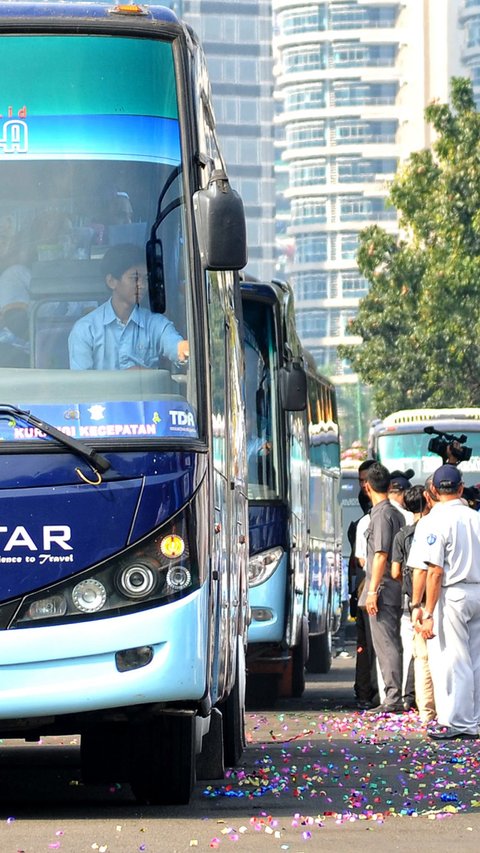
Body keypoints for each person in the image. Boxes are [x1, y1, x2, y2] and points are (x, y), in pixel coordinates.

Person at [412, 464, 480, 739]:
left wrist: (426, 610)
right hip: (477, 589)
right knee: (475, 659)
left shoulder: (433, 520)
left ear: (433, 491)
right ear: (461, 488)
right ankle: (473, 719)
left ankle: (459, 722)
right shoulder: (475, 517)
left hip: (453, 594)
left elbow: (434, 570)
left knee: (454, 660)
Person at [68, 243, 189, 370]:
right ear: (111, 281)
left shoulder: (156, 324)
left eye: (146, 279)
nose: (142, 285)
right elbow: (81, 386)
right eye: (134, 278)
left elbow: (177, 347)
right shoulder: (85, 330)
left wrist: (185, 350)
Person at [359, 462, 405, 714]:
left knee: (386, 644)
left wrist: (372, 591)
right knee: (390, 643)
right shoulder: (395, 513)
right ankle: (392, 694)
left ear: (367, 486)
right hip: (390, 587)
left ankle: (393, 697)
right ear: (388, 486)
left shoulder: (381, 515)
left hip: (384, 589)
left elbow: (380, 555)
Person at [391, 484, 429, 712]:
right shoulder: (434, 529)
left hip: (409, 602)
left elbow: (395, 571)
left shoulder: (401, 535)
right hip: (433, 598)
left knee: (413, 651)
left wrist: (407, 587)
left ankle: (410, 696)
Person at [405, 475, 438, 724]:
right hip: (468, 596)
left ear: (430, 494)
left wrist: (418, 606)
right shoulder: (474, 518)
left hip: (432, 601)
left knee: (424, 659)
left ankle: (429, 713)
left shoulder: (428, 525)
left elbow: (424, 570)